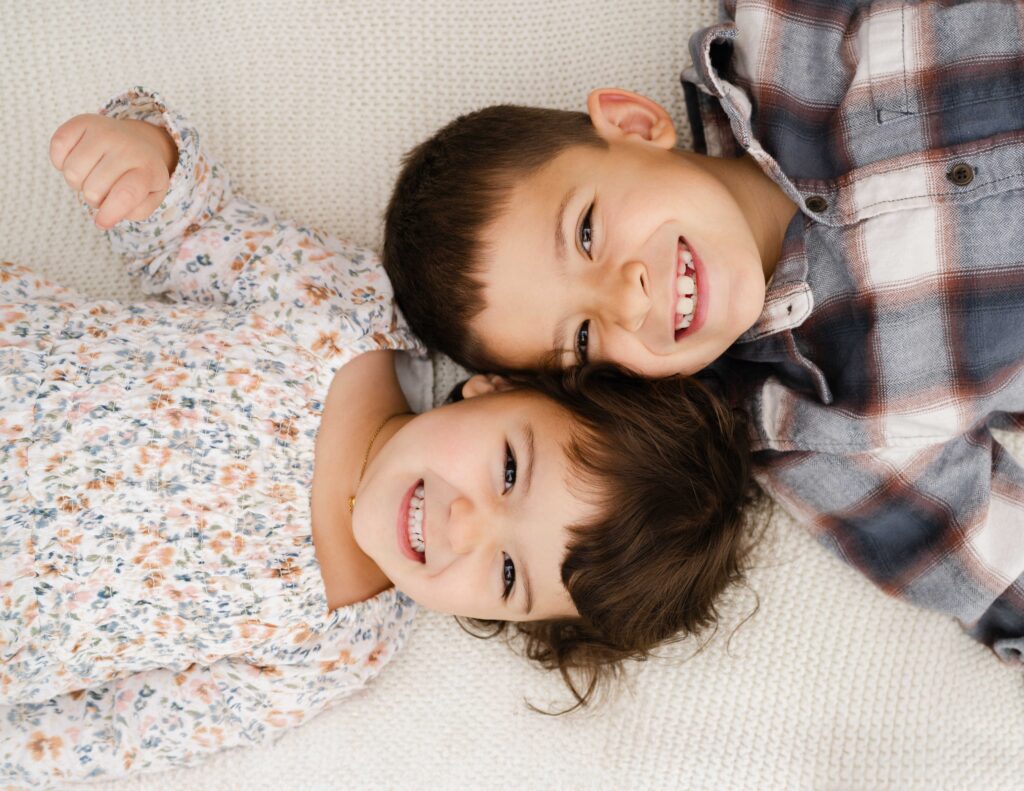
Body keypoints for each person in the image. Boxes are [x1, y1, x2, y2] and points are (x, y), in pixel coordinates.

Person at [0, 87, 754, 788]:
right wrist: (148, 163)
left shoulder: (334, 652)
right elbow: (193, 231)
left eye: (504, 577)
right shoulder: (344, 312)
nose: (464, 524)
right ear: (496, 386)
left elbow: (116, 729)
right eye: (508, 469)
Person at [381, 0, 1024, 662]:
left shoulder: (789, 30)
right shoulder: (813, 428)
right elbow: (999, 567)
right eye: (582, 338)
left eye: (586, 232)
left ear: (634, 124)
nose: (625, 299)